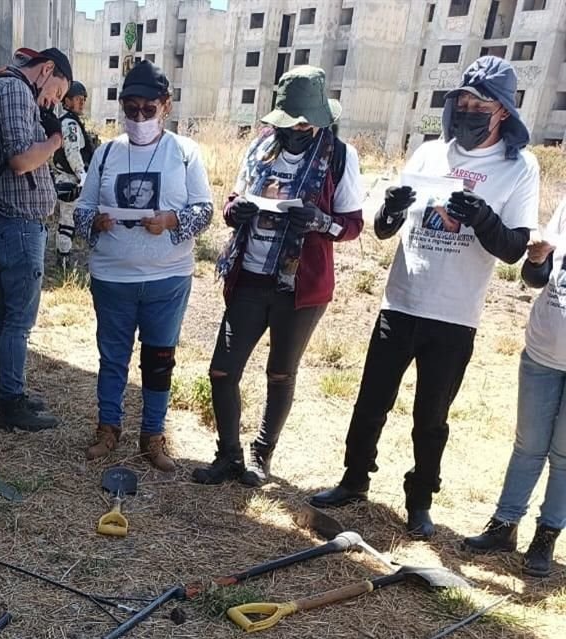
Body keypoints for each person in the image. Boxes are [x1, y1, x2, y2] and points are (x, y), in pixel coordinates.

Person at [310, 56, 540, 539]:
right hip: (401, 301)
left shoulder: (518, 168)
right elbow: (383, 229)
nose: (468, 109)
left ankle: (420, 501)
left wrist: (481, 218)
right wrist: (391, 211)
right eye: (462, 100)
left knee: (431, 416)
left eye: (480, 103)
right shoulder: (428, 154)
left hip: (454, 314)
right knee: (371, 400)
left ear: (502, 112)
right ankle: (353, 481)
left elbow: (516, 249)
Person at [190, 66, 363, 488]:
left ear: (320, 121)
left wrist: (320, 221)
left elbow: (353, 224)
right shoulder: (260, 149)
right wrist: (236, 212)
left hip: (299, 288)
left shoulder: (339, 156)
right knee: (222, 371)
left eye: (304, 123)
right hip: (249, 276)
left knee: (280, 374)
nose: (295, 130)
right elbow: (232, 200)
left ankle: (260, 456)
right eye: (289, 122)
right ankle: (228, 454)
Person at [73, 61, 213, 471]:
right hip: (112, 277)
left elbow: (204, 211)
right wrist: (94, 221)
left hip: (166, 279)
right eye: (129, 109)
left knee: (159, 358)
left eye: (146, 110)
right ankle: (108, 429)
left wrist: (171, 221)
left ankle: (152, 434)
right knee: (111, 357)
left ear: (165, 106)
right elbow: (82, 208)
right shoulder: (107, 153)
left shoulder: (184, 153)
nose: (137, 118)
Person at [461, 198, 566, 577]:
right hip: (542, 349)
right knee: (528, 446)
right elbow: (536, 278)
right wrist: (537, 260)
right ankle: (505, 525)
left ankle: (547, 535)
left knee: (564, 456)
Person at [0, 47, 72, 432]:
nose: (53, 101)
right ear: (47, 69)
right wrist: (54, 141)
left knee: (7, 311)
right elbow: (20, 159)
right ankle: (12, 403)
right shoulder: (16, 91)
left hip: (11, 221)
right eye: (58, 92)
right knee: (19, 318)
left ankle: (6, 393)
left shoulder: (4, 87)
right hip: (18, 222)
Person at [52, 80, 96, 266]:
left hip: (71, 178)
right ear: (67, 100)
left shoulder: (70, 122)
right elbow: (71, 152)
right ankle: (63, 261)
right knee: (67, 220)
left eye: (83, 99)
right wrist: (82, 175)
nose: (82, 102)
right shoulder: (69, 124)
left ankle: (63, 257)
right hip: (71, 179)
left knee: (68, 219)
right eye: (78, 99)